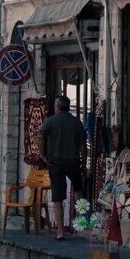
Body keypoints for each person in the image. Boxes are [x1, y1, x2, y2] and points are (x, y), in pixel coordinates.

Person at [39, 96, 87, 240]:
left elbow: (40, 138)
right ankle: (82, 223)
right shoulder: (76, 122)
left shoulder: (50, 121)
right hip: (73, 161)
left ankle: (60, 232)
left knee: (57, 197)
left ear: (57, 107)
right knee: (78, 191)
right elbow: (82, 146)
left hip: (56, 162)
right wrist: (84, 163)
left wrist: (43, 156)